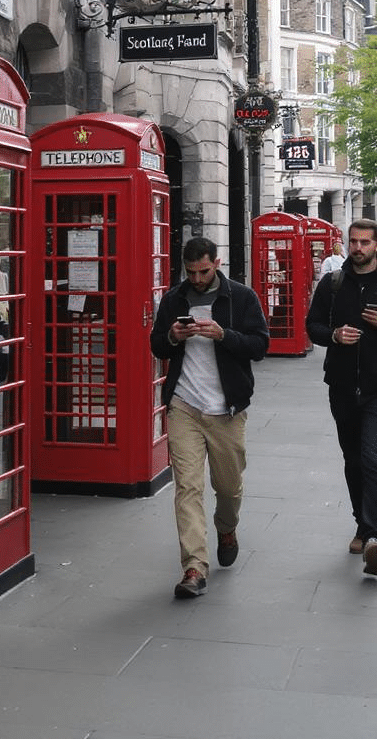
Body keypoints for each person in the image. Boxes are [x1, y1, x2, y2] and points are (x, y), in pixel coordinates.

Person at [150, 237, 270, 599]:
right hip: (184, 405)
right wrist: (172, 335)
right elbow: (156, 345)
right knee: (187, 487)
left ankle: (226, 527)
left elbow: (260, 346)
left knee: (228, 488)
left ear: (216, 263)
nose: (197, 279)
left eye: (203, 271)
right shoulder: (174, 299)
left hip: (226, 410)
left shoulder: (241, 297)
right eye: (191, 273)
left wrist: (223, 335)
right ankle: (194, 567)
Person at [305, 219, 377, 577]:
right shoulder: (333, 283)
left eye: (365, 242)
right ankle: (362, 523)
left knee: (373, 459)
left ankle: (374, 538)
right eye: (353, 242)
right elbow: (313, 326)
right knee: (353, 460)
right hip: (342, 386)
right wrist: (335, 336)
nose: (357, 248)